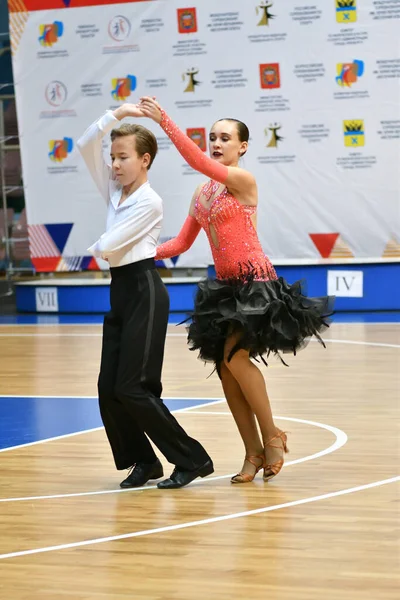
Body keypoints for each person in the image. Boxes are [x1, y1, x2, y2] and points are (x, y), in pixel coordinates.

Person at [139, 96, 334, 484]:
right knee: (226, 372)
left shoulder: (243, 181)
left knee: (236, 359)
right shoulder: (202, 194)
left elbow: (198, 161)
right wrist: (139, 253)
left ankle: (273, 434)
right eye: (212, 137)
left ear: (242, 146)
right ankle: (253, 452)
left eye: (225, 138)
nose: (216, 143)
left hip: (255, 283)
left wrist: (165, 122)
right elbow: (180, 243)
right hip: (225, 289)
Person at [77, 103, 213, 490]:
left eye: (123, 158)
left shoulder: (149, 203)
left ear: (145, 159)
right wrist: (116, 115)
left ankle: (193, 459)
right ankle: (144, 461)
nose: (115, 165)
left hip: (145, 291)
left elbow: (109, 245)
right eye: (113, 158)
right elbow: (86, 144)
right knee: (109, 388)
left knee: (134, 387)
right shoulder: (115, 192)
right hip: (120, 291)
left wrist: (93, 246)